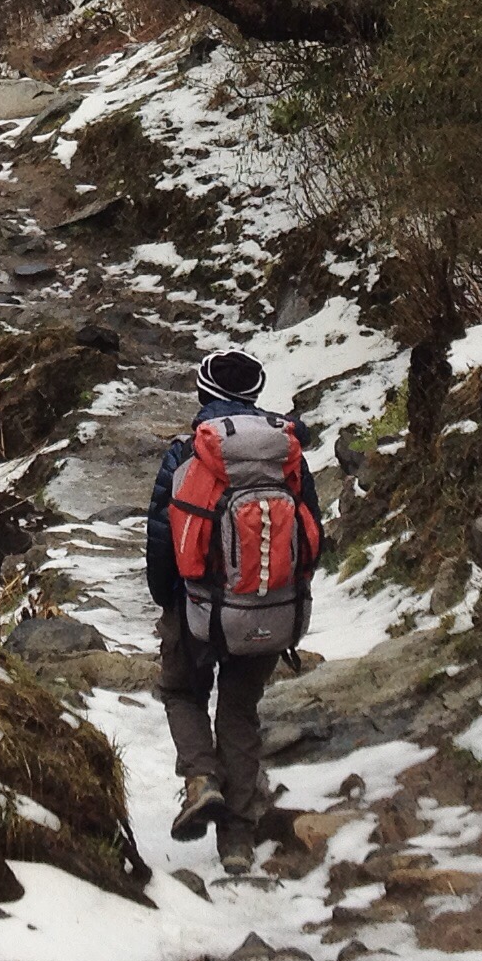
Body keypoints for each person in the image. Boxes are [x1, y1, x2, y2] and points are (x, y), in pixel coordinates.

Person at [145, 348, 323, 877]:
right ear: (255, 396)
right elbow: (313, 535)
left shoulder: (188, 453)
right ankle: (238, 844)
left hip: (197, 606)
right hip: (270, 606)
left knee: (181, 691)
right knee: (240, 712)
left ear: (203, 394)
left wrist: (168, 601)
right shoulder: (287, 455)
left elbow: (162, 537)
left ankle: (202, 779)